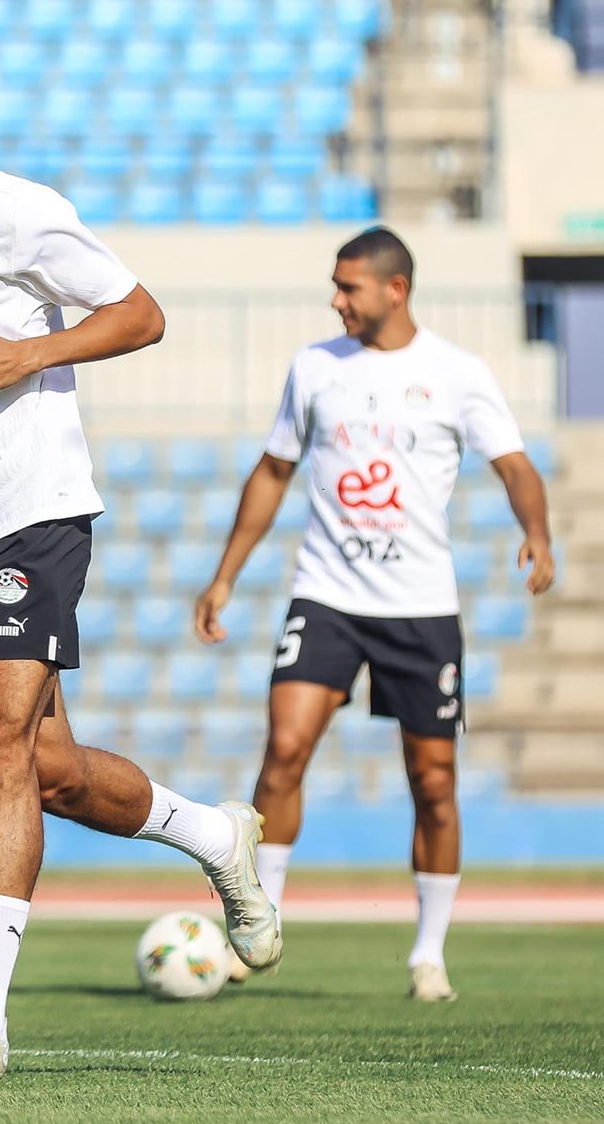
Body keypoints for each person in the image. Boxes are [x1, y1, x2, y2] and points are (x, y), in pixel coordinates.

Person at [0, 5, 279, 1088]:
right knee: (49, 771)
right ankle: (215, 837)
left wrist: (30, 352)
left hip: (32, 512)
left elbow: (140, 314)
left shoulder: (12, 210)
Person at [194, 227, 555, 1001]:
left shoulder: (458, 373)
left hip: (421, 608)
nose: (336, 300)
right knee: (284, 749)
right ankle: (260, 926)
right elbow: (274, 470)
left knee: (433, 780)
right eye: (335, 285)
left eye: (349, 286)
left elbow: (515, 465)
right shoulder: (315, 367)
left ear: (396, 289)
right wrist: (225, 577)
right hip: (327, 595)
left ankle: (428, 954)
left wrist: (537, 533)